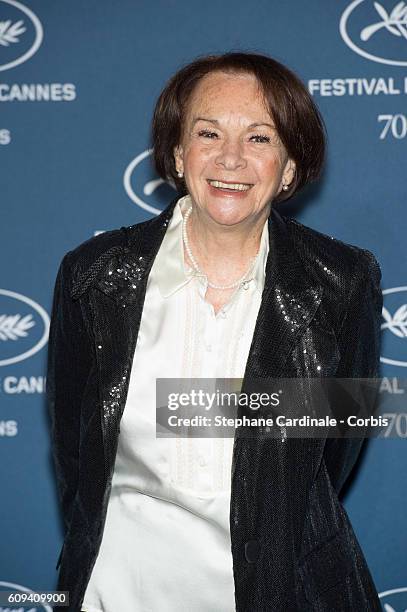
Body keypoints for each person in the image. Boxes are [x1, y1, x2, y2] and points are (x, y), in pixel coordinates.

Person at [47, 52, 383, 612]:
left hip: (280, 587)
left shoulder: (341, 281)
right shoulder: (94, 275)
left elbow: (335, 450)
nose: (231, 158)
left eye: (260, 138)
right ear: (178, 154)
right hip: (119, 585)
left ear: (290, 166)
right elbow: (76, 446)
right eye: (208, 133)